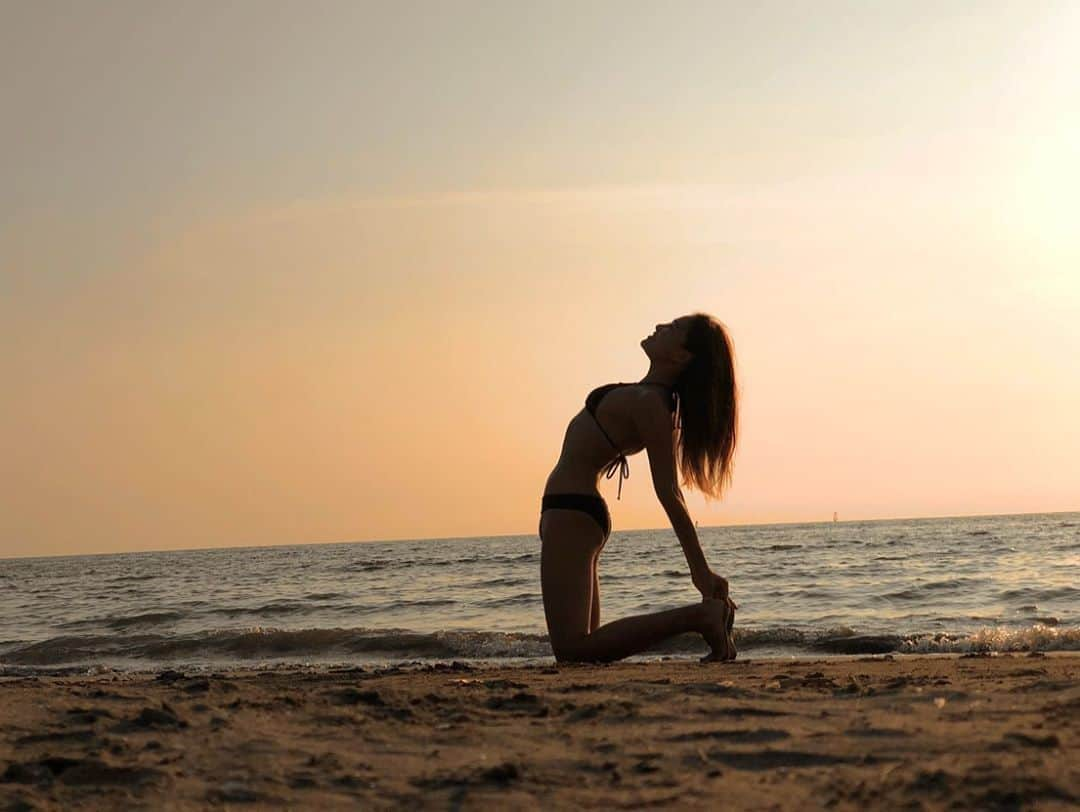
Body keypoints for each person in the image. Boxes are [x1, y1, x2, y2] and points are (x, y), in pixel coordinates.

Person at [538, 313, 739, 663]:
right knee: (586, 650)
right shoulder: (649, 398)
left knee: (572, 650)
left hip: (572, 512)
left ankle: (700, 617)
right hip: (575, 511)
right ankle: (705, 620)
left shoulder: (652, 404)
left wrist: (699, 571)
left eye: (674, 329)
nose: (661, 327)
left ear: (681, 357)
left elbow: (669, 493)